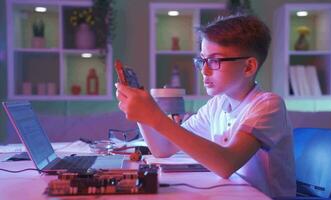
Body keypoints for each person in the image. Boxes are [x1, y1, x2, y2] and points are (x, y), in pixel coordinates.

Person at [115, 13, 296, 198]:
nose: (204, 70)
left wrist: (155, 116)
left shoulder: (268, 105)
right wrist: (142, 115)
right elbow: (163, 148)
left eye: (215, 60)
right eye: (203, 60)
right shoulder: (217, 105)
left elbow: (226, 164)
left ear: (249, 67)